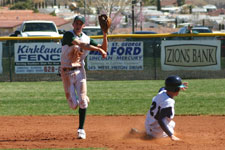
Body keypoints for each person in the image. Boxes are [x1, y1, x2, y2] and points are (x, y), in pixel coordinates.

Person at [60, 15, 108, 139]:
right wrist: (99, 50)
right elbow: (81, 44)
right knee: (73, 105)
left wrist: (105, 34)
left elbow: (104, 49)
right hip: (66, 72)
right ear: (73, 24)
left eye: (80, 24)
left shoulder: (87, 38)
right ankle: (82, 99)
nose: (78, 26)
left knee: (82, 101)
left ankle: (81, 129)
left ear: (83, 26)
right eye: (76, 23)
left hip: (80, 71)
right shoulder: (68, 35)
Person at [145, 75, 188, 141]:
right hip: (156, 131)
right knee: (172, 130)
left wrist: (179, 86)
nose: (180, 89)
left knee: (171, 123)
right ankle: (149, 136)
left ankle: (147, 132)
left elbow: (164, 88)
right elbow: (160, 120)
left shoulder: (162, 92)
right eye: (178, 88)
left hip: (148, 123)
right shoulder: (168, 102)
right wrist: (171, 136)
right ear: (175, 89)